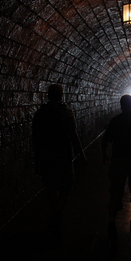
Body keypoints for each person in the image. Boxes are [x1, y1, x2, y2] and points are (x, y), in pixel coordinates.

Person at [32, 84, 87, 233]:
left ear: (48, 95)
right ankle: (56, 214)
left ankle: (54, 214)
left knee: (51, 187)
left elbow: (35, 137)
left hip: (45, 154)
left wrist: (36, 157)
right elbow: (73, 136)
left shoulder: (40, 113)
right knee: (68, 185)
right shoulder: (66, 112)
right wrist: (81, 155)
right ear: (61, 95)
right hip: (63, 154)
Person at [102, 95, 131, 246]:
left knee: (115, 189)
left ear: (121, 105)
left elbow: (105, 140)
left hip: (117, 160)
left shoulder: (115, 121)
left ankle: (111, 220)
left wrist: (105, 156)